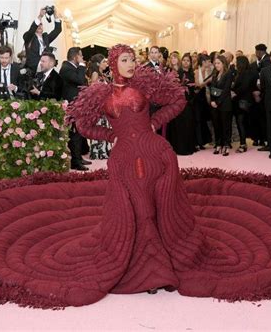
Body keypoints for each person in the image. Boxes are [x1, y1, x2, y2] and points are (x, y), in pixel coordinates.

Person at [65, 43, 206, 298]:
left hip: (154, 153)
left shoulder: (144, 85)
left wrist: (154, 122)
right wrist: (109, 136)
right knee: (139, 209)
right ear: (113, 63)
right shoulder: (100, 94)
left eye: (132, 59)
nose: (131, 64)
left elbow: (177, 100)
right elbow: (83, 125)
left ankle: (160, 266)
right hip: (124, 158)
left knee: (157, 206)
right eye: (125, 60)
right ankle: (147, 269)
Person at [60, 47, 91, 171]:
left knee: (79, 133)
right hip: (72, 105)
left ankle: (78, 158)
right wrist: (82, 66)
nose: (82, 58)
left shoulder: (73, 68)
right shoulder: (66, 68)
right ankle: (75, 161)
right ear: (75, 57)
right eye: (81, 56)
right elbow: (80, 80)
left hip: (77, 104)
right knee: (75, 134)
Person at [166, 52, 196, 155]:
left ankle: (189, 147)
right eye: (184, 60)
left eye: (188, 61)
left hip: (190, 103)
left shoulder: (192, 73)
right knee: (180, 125)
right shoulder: (178, 73)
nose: (186, 62)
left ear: (190, 63)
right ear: (181, 61)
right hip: (179, 103)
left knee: (189, 124)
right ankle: (180, 148)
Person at [87, 54, 112, 160]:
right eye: (104, 62)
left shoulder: (102, 73)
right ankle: (98, 151)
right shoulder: (95, 73)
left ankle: (104, 150)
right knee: (100, 127)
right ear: (98, 64)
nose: (106, 63)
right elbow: (92, 91)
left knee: (105, 127)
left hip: (105, 105)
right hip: (98, 106)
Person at [231, 55, 258, 153]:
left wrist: (234, 91)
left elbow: (244, 87)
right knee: (243, 122)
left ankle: (243, 144)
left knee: (240, 123)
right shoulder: (251, 73)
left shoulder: (243, 74)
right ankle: (244, 142)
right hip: (247, 101)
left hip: (241, 101)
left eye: (236, 62)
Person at [23, 7, 62, 74]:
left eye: (41, 24)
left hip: (46, 68)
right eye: (38, 24)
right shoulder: (29, 36)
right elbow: (31, 30)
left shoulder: (45, 37)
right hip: (34, 68)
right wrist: (40, 16)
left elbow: (57, 30)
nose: (39, 26)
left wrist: (55, 15)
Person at [210, 55, 233, 156]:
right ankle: (218, 144)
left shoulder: (228, 74)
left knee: (226, 126)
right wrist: (212, 101)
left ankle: (226, 145)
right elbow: (212, 89)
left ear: (223, 63)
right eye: (215, 63)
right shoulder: (215, 74)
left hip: (225, 104)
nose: (216, 65)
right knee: (217, 125)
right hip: (215, 105)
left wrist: (217, 102)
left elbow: (226, 90)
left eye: (218, 63)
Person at [193, 53, 213, 150]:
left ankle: (204, 141)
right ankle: (198, 142)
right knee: (198, 120)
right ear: (203, 62)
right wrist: (207, 81)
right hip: (198, 98)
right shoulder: (197, 71)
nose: (210, 63)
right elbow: (197, 85)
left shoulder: (210, 71)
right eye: (208, 61)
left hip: (206, 98)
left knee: (204, 120)